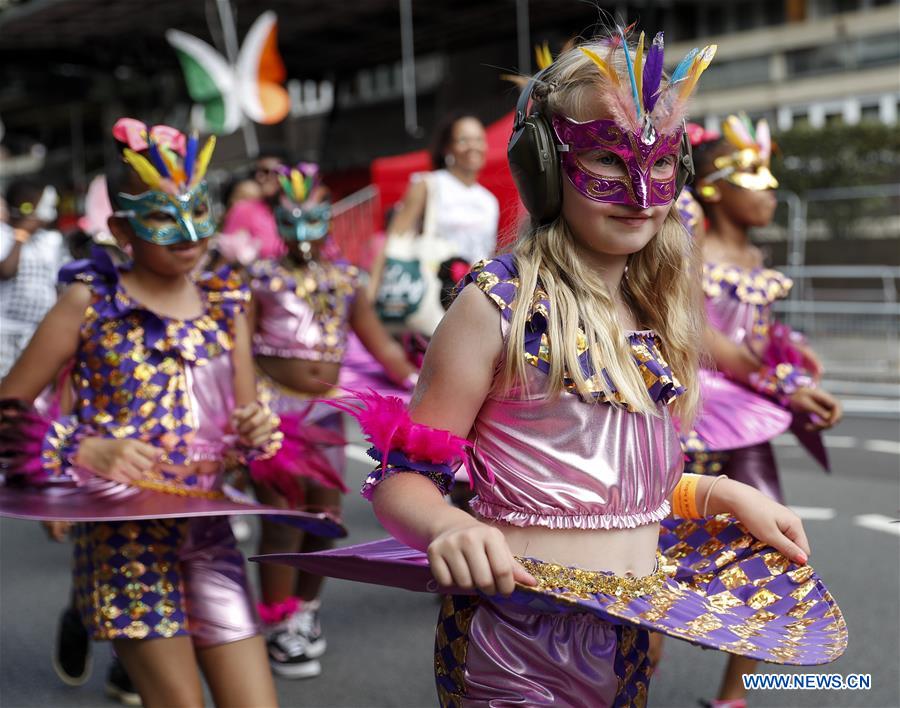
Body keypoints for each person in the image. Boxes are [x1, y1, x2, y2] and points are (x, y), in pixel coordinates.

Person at [257, 29, 847, 706]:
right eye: (606, 158)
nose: (640, 190)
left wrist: (720, 496)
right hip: (515, 643)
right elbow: (402, 480)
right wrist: (450, 526)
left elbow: (605, 483)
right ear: (543, 163)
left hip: (627, 632)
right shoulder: (495, 305)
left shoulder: (655, 310)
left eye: (659, 162)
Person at [0, 119, 344, 707]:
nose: (188, 232)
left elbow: (244, 424)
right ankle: (87, 608)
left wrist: (258, 433)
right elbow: (8, 408)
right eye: (162, 215)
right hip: (123, 540)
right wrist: (81, 449)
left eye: (198, 210)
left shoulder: (227, 304)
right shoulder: (88, 301)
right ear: (121, 229)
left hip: (209, 532)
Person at [679, 115, 843, 708]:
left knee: (774, 547)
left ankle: (732, 699)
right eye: (755, 177)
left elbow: (757, 338)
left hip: (744, 420)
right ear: (714, 187)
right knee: (655, 545)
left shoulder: (755, 255)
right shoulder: (688, 238)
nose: (771, 192)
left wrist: (794, 361)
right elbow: (700, 334)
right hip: (689, 415)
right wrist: (780, 382)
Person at [247, 162, 418, 679]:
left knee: (323, 516)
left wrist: (419, 382)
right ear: (278, 222)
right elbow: (235, 348)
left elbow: (381, 343)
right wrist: (243, 408)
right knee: (282, 516)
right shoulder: (258, 278)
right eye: (292, 220)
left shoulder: (345, 280)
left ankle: (305, 610)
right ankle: (277, 623)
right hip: (272, 410)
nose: (303, 232)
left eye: (313, 219)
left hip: (323, 410)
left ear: (328, 221)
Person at [368, 113, 499, 300]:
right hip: (433, 293)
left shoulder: (489, 201)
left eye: (478, 139)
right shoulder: (428, 185)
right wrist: (372, 293)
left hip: (475, 294)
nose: (473, 146)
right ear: (447, 148)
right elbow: (394, 240)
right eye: (463, 140)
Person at [0, 180, 68, 378]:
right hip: (5, 330)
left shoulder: (51, 241)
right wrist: (22, 235)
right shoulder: (3, 236)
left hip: (37, 331)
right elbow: (6, 271)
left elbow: (59, 283)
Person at [220, 150, 290, 261]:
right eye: (258, 172)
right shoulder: (243, 210)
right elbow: (225, 258)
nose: (260, 177)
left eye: (268, 171)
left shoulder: (297, 211)